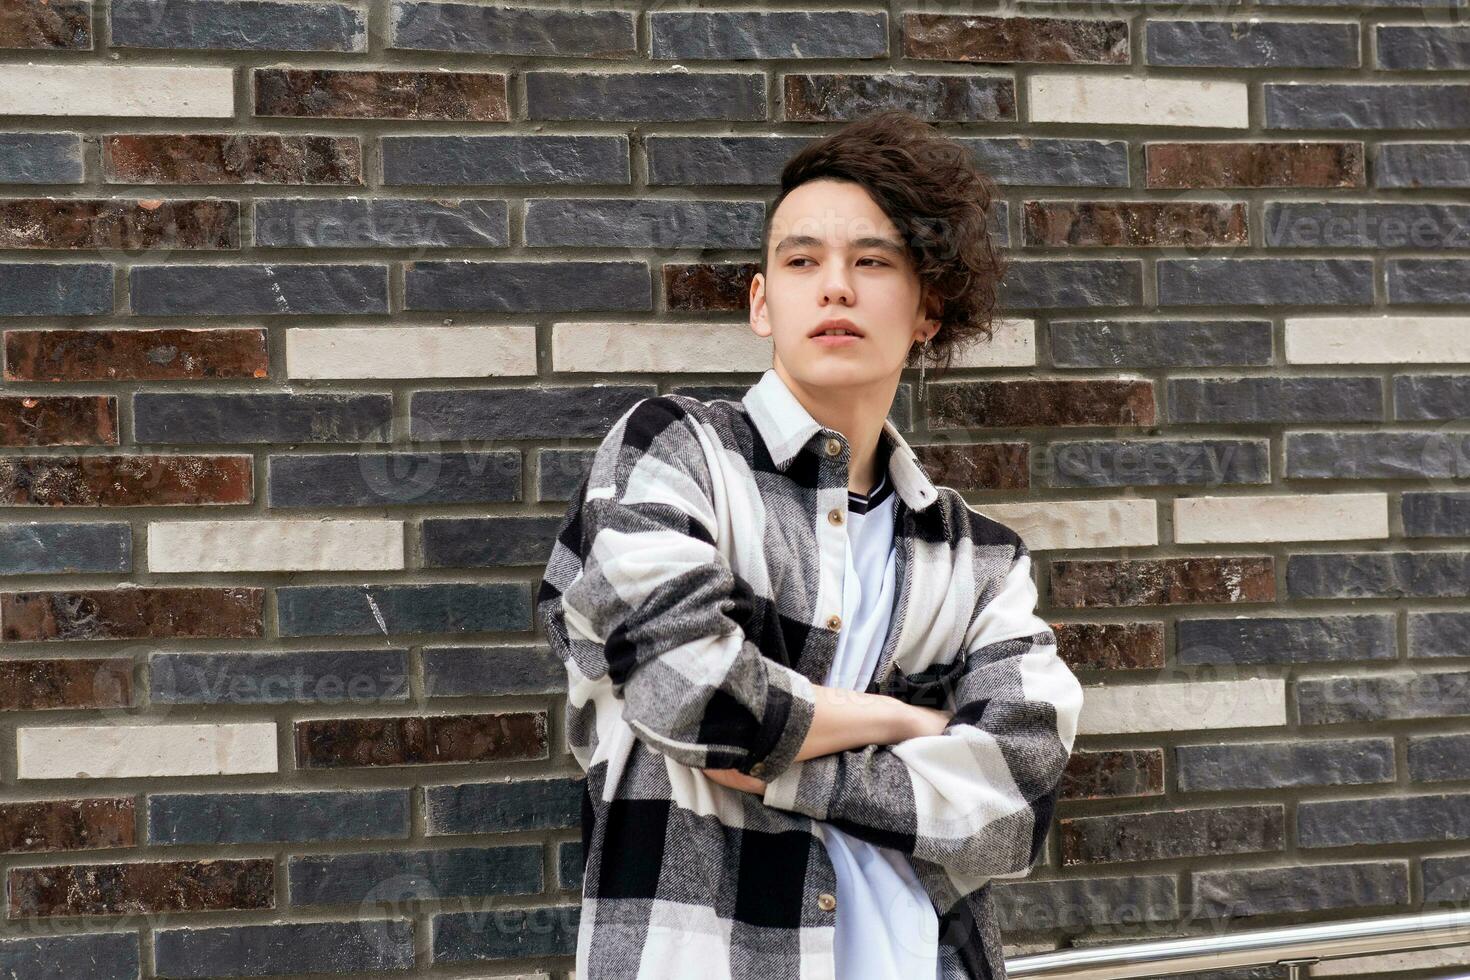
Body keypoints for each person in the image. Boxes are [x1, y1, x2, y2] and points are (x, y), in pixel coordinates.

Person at [536, 108, 1084, 980]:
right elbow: (693, 695)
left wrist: (789, 768)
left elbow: (1018, 796)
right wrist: (907, 720)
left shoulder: (979, 560)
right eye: (801, 261)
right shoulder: (672, 456)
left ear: (927, 309)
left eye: (872, 261)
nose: (835, 286)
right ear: (763, 301)